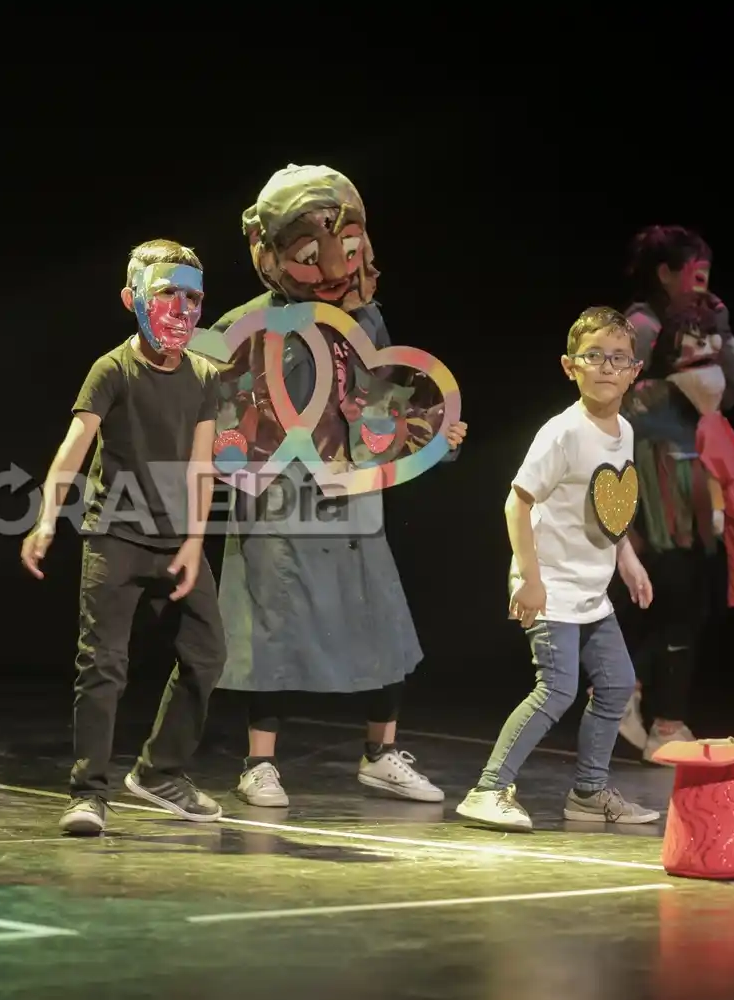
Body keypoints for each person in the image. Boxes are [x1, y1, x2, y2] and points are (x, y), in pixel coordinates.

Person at [192, 164, 465, 809]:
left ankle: (381, 751)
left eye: (347, 246)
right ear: (271, 251)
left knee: (379, 620)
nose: (337, 266)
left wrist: (427, 441)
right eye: (313, 253)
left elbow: (380, 407)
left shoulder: (367, 323)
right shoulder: (246, 326)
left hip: (350, 497)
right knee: (276, 627)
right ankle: (259, 762)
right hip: (278, 501)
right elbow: (222, 423)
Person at [20, 239, 227, 836]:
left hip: (175, 542)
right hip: (115, 535)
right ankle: (89, 793)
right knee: (103, 665)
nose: (182, 308)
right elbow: (74, 448)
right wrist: (44, 519)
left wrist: (193, 542)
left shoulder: (204, 377)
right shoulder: (112, 369)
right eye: (167, 293)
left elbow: (201, 466)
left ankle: (161, 770)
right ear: (132, 299)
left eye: (194, 297)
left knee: (208, 653)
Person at [456, 306, 660, 832]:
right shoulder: (562, 432)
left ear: (634, 371)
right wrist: (529, 577)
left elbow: (611, 509)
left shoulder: (625, 432)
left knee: (616, 684)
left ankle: (589, 792)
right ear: (571, 366)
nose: (607, 368)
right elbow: (516, 503)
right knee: (558, 689)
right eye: (595, 357)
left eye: (619, 359)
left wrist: (629, 561)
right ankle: (488, 789)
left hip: (592, 586)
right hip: (550, 583)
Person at [615, 226, 734, 761]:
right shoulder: (640, 325)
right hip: (654, 474)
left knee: (683, 601)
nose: (705, 287)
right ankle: (644, 706)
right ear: (665, 273)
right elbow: (614, 395)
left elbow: (726, 393)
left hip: (689, 472)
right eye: (695, 275)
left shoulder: (700, 325)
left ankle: (651, 709)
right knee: (673, 597)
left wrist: (720, 331)